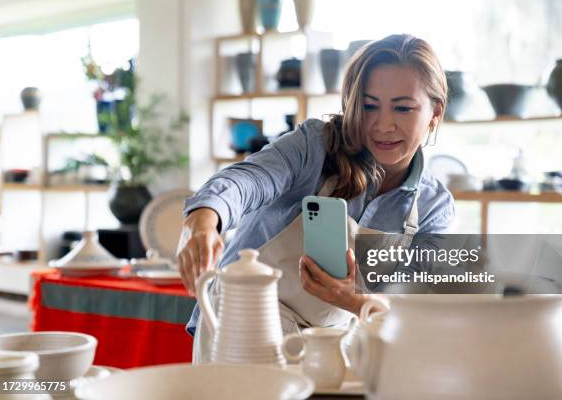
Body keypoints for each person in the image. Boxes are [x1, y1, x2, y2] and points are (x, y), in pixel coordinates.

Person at [177, 33, 455, 362]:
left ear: (435, 113)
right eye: (368, 106)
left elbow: (413, 309)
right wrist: (203, 220)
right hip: (246, 323)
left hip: (332, 348)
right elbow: (247, 180)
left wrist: (354, 299)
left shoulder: (435, 207)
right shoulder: (315, 146)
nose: (382, 124)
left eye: (403, 108)